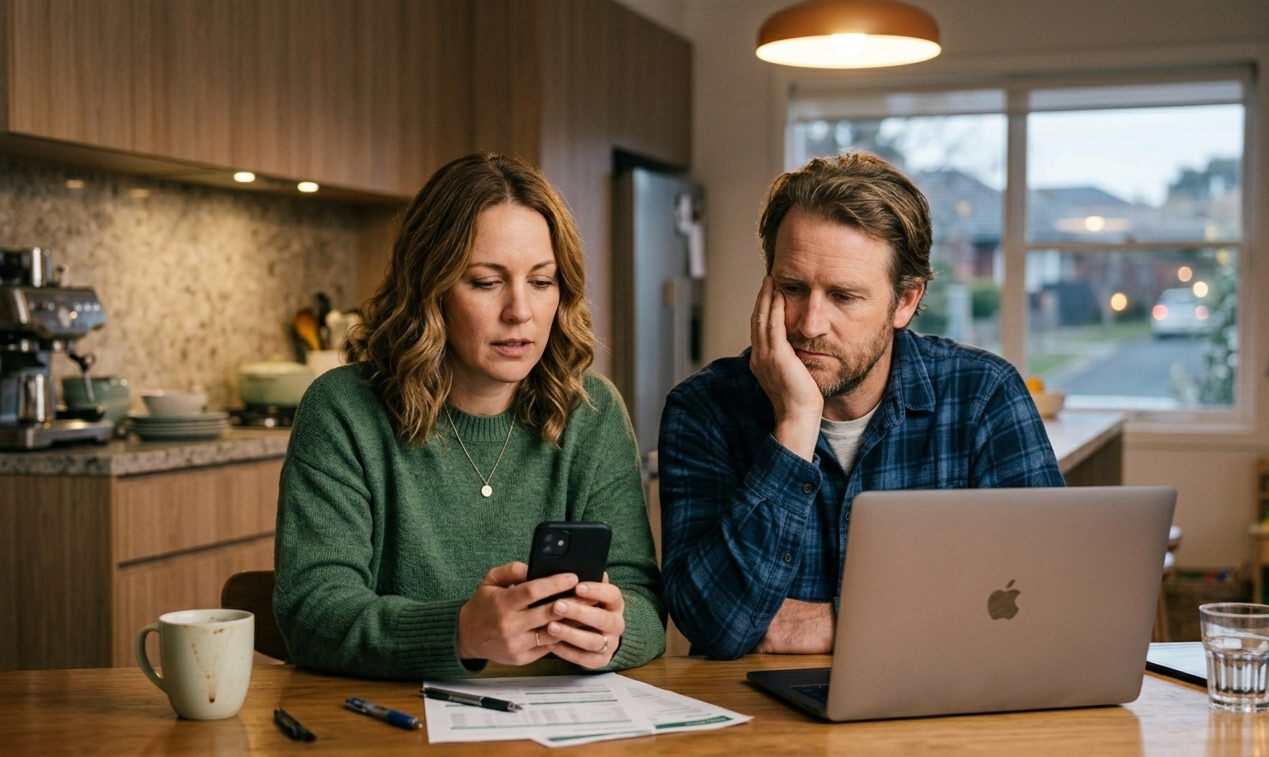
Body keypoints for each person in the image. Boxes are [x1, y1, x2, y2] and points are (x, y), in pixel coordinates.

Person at [274, 152, 665, 679]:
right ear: (430, 288)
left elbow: (642, 602)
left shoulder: (591, 412)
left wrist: (613, 632)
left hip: (554, 720)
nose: (520, 312)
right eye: (486, 282)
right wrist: (460, 632)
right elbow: (312, 612)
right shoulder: (344, 410)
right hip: (394, 719)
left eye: (542, 282)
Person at [659, 151, 1063, 660]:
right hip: (756, 707)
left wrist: (836, 622)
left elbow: (1047, 599)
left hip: (935, 698)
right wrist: (795, 424)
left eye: (844, 296)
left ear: (905, 302)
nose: (809, 324)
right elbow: (715, 626)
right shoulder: (704, 409)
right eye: (792, 288)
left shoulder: (983, 395)